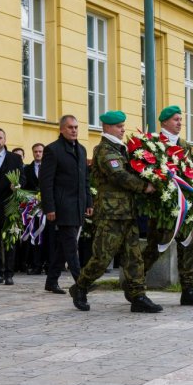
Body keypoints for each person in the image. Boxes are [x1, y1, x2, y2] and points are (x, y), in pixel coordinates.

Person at [70, 110, 161, 313]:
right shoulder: (104, 150)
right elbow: (119, 175)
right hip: (111, 214)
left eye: (122, 126)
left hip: (127, 212)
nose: (123, 130)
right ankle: (80, 286)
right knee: (102, 257)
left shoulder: (121, 149)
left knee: (134, 256)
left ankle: (138, 296)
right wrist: (144, 186)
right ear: (108, 127)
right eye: (119, 127)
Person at [141, 105, 193, 307]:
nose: (179, 122)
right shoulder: (154, 143)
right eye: (175, 119)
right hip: (165, 206)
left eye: (181, 119)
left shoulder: (183, 144)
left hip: (184, 206)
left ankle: (189, 290)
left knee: (190, 244)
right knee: (156, 246)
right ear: (164, 122)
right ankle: (134, 285)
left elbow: (192, 168)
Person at [40, 115, 93, 294]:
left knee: (64, 246)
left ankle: (51, 281)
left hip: (78, 205)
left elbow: (85, 179)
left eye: (76, 127)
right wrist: (49, 207)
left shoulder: (82, 149)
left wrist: (88, 201)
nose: (74, 130)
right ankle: (81, 282)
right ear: (62, 129)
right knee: (71, 245)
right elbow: (46, 182)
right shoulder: (52, 150)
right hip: (62, 206)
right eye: (70, 127)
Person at [0, 128, 25, 286]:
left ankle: (9, 273)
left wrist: (18, 185)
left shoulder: (15, 158)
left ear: (5, 140)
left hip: (10, 205)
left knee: (10, 241)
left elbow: (22, 176)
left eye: (0, 138)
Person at [23, 143, 47, 275]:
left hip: (47, 207)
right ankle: (36, 264)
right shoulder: (27, 169)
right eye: (35, 152)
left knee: (47, 237)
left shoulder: (49, 167)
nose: (38, 154)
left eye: (40, 151)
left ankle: (47, 264)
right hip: (33, 207)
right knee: (35, 235)